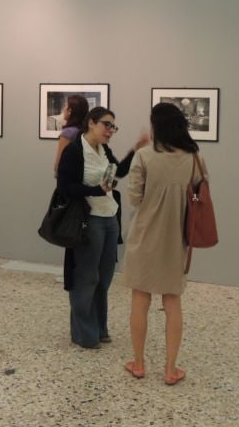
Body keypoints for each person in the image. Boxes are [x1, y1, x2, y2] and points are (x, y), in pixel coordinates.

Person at [122, 102, 208, 385]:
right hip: (176, 240)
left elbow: (134, 198)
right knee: (173, 302)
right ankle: (171, 369)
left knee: (140, 299)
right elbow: (201, 195)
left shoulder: (144, 157)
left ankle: (138, 363)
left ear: (157, 126)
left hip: (144, 237)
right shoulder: (195, 158)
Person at [56, 106, 149, 349]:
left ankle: (99, 328)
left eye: (113, 127)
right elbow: (65, 188)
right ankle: (84, 333)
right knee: (87, 276)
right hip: (90, 220)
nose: (110, 131)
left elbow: (117, 173)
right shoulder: (75, 151)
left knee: (104, 278)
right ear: (91, 123)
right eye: (107, 125)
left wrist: (135, 149)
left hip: (109, 219)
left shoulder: (103, 149)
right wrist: (95, 190)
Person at [53, 94, 89, 176]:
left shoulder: (68, 132)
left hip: (68, 178)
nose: (63, 110)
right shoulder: (87, 131)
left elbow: (59, 163)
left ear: (70, 111)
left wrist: (56, 171)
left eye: (65, 106)